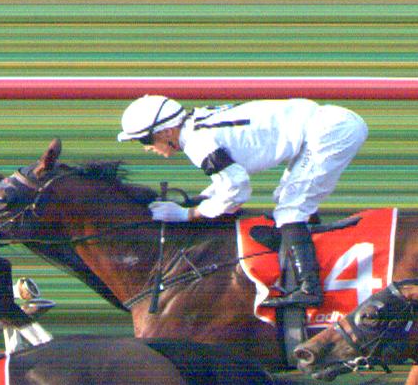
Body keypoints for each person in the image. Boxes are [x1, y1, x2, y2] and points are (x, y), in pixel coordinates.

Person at [119, 96, 370, 312]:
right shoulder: (196, 126)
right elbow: (228, 179)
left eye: (145, 140)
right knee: (287, 199)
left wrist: (189, 214)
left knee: (291, 209)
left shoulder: (197, 143)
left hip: (330, 132)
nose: (147, 148)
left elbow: (237, 192)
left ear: (166, 132)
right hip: (327, 126)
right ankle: (311, 258)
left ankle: (309, 289)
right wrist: (200, 201)